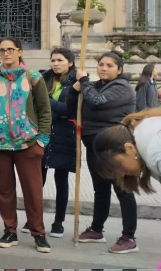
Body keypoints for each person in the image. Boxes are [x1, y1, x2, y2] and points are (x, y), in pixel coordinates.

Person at [0, 37, 53, 253]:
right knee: (4, 191)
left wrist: (41, 140)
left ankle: (38, 233)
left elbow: (45, 111)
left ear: (19, 52)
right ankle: (10, 230)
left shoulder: (34, 77)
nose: (6, 53)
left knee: (33, 192)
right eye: (2, 50)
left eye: (10, 49)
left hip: (27, 144)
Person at [67, 51, 139, 254]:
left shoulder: (121, 87)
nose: (104, 68)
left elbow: (98, 102)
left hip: (116, 146)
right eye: (101, 64)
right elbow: (71, 107)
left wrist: (85, 82)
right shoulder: (96, 86)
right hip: (94, 144)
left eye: (109, 65)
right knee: (101, 188)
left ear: (119, 69)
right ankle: (97, 229)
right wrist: (75, 89)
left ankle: (129, 237)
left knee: (123, 189)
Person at [27, 47, 77, 239]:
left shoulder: (75, 82)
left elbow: (68, 109)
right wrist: (51, 107)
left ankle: (59, 222)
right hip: (44, 131)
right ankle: (34, 219)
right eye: (53, 60)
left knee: (61, 179)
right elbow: (36, 104)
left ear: (70, 63)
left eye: (60, 60)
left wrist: (48, 102)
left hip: (64, 134)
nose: (55, 64)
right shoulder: (44, 78)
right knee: (38, 177)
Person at [94, 109, 161, 193]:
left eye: (118, 166)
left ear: (129, 148)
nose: (121, 174)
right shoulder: (142, 131)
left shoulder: (155, 152)